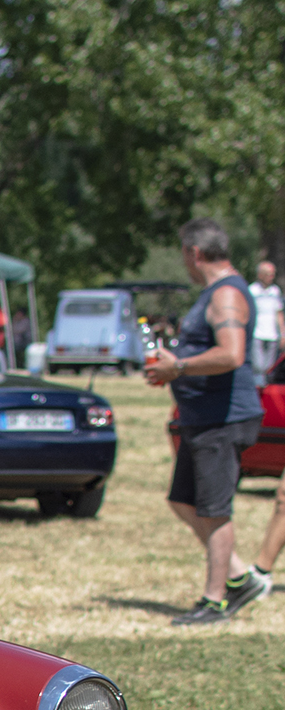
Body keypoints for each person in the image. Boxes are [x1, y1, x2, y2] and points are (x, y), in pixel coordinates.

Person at [143, 218, 269, 625]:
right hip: (202, 418)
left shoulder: (226, 294)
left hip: (222, 420)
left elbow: (231, 354)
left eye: (184, 255)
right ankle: (240, 578)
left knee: (214, 511)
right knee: (182, 500)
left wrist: (178, 367)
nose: (185, 263)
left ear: (194, 253)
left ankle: (214, 602)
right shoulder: (215, 293)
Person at [252, 259, 282, 380]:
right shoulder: (252, 291)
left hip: (272, 334)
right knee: (258, 366)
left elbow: (278, 313)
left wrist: (283, 333)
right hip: (256, 333)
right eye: (268, 274)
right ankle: (258, 387)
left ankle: (266, 388)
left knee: (269, 367)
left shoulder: (275, 291)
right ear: (260, 275)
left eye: (273, 274)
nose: (271, 277)